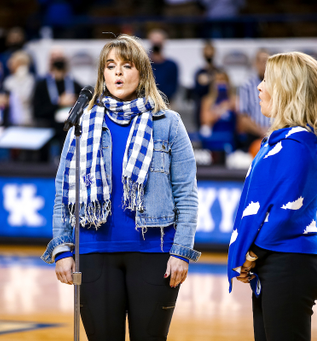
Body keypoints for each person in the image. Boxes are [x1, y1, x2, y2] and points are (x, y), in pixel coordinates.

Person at [41, 34, 200, 340]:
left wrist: (181, 252)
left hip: (155, 252)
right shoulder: (82, 124)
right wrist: (62, 249)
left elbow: (186, 193)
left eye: (126, 66)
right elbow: (63, 191)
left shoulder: (168, 122)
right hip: (93, 251)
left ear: (141, 72)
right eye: (110, 66)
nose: (117, 73)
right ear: (102, 73)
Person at [227, 52, 317, 341]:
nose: (259, 87)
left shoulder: (297, 143)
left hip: (289, 262)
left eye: (266, 80)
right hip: (276, 261)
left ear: (288, 89)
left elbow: (283, 214)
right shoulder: (283, 139)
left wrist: (251, 255)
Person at [237, 49, 271, 151]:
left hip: (276, 133)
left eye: (266, 61)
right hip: (254, 136)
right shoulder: (247, 85)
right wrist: (261, 131)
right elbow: (242, 117)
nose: (264, 65)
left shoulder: (279, 84)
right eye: (261, 61)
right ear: (255, 63)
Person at [199, 69, 237, 154]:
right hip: (213, 137)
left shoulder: (234, 100)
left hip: (230, 138)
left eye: (223, 80)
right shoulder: (207, 101)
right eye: (218, 80)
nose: (221, 83)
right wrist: (221, 109)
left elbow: (240, 124)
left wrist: (230, 105)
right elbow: (206, 120)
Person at [192, 40, 220, 130]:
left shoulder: (220, 71)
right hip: (203, 108)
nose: (208, 53)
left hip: (218, 106)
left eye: (210, 50)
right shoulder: (199, 72)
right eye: (206, 51)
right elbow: (197, 90)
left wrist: (209, 79)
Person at [3, 50, 35, 126]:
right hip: (11, 118)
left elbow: (26, 97)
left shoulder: (30, 79)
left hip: (27, 118)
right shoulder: (8, 80)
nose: (10, 63)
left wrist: (21, 75)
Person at [148, 28, 179, 103]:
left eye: (158, 42)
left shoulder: (171, 65)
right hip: (146, 102)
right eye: (154, 42)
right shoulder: (143, 64)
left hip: (166, 102)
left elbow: (173, 88)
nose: (156, 45)